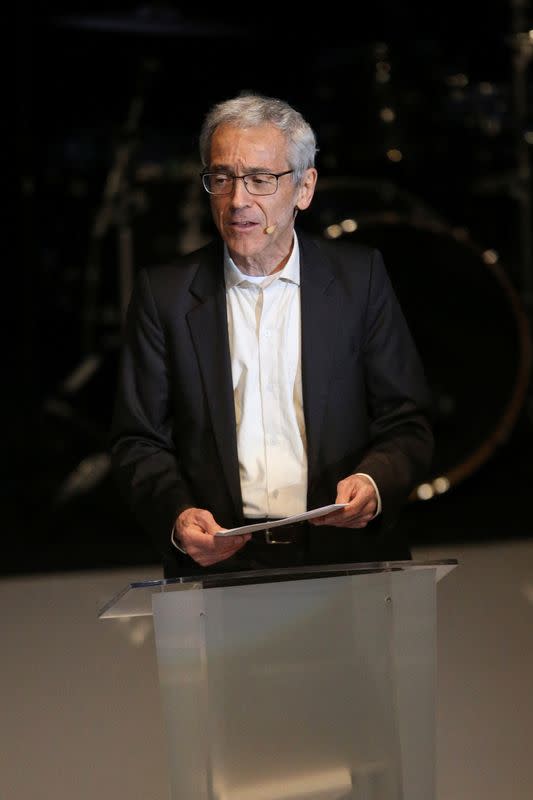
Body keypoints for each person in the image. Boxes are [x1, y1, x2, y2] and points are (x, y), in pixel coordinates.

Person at [109, 92, 434, 577]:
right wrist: (177, 517)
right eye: (222, 178)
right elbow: (137, 440)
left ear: (305, 188)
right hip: (220, 564)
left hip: (345, 557)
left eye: (261, 180)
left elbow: (407, 421)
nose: (239, 200)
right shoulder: (165, 295)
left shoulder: (358, 279)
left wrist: (373, 482)